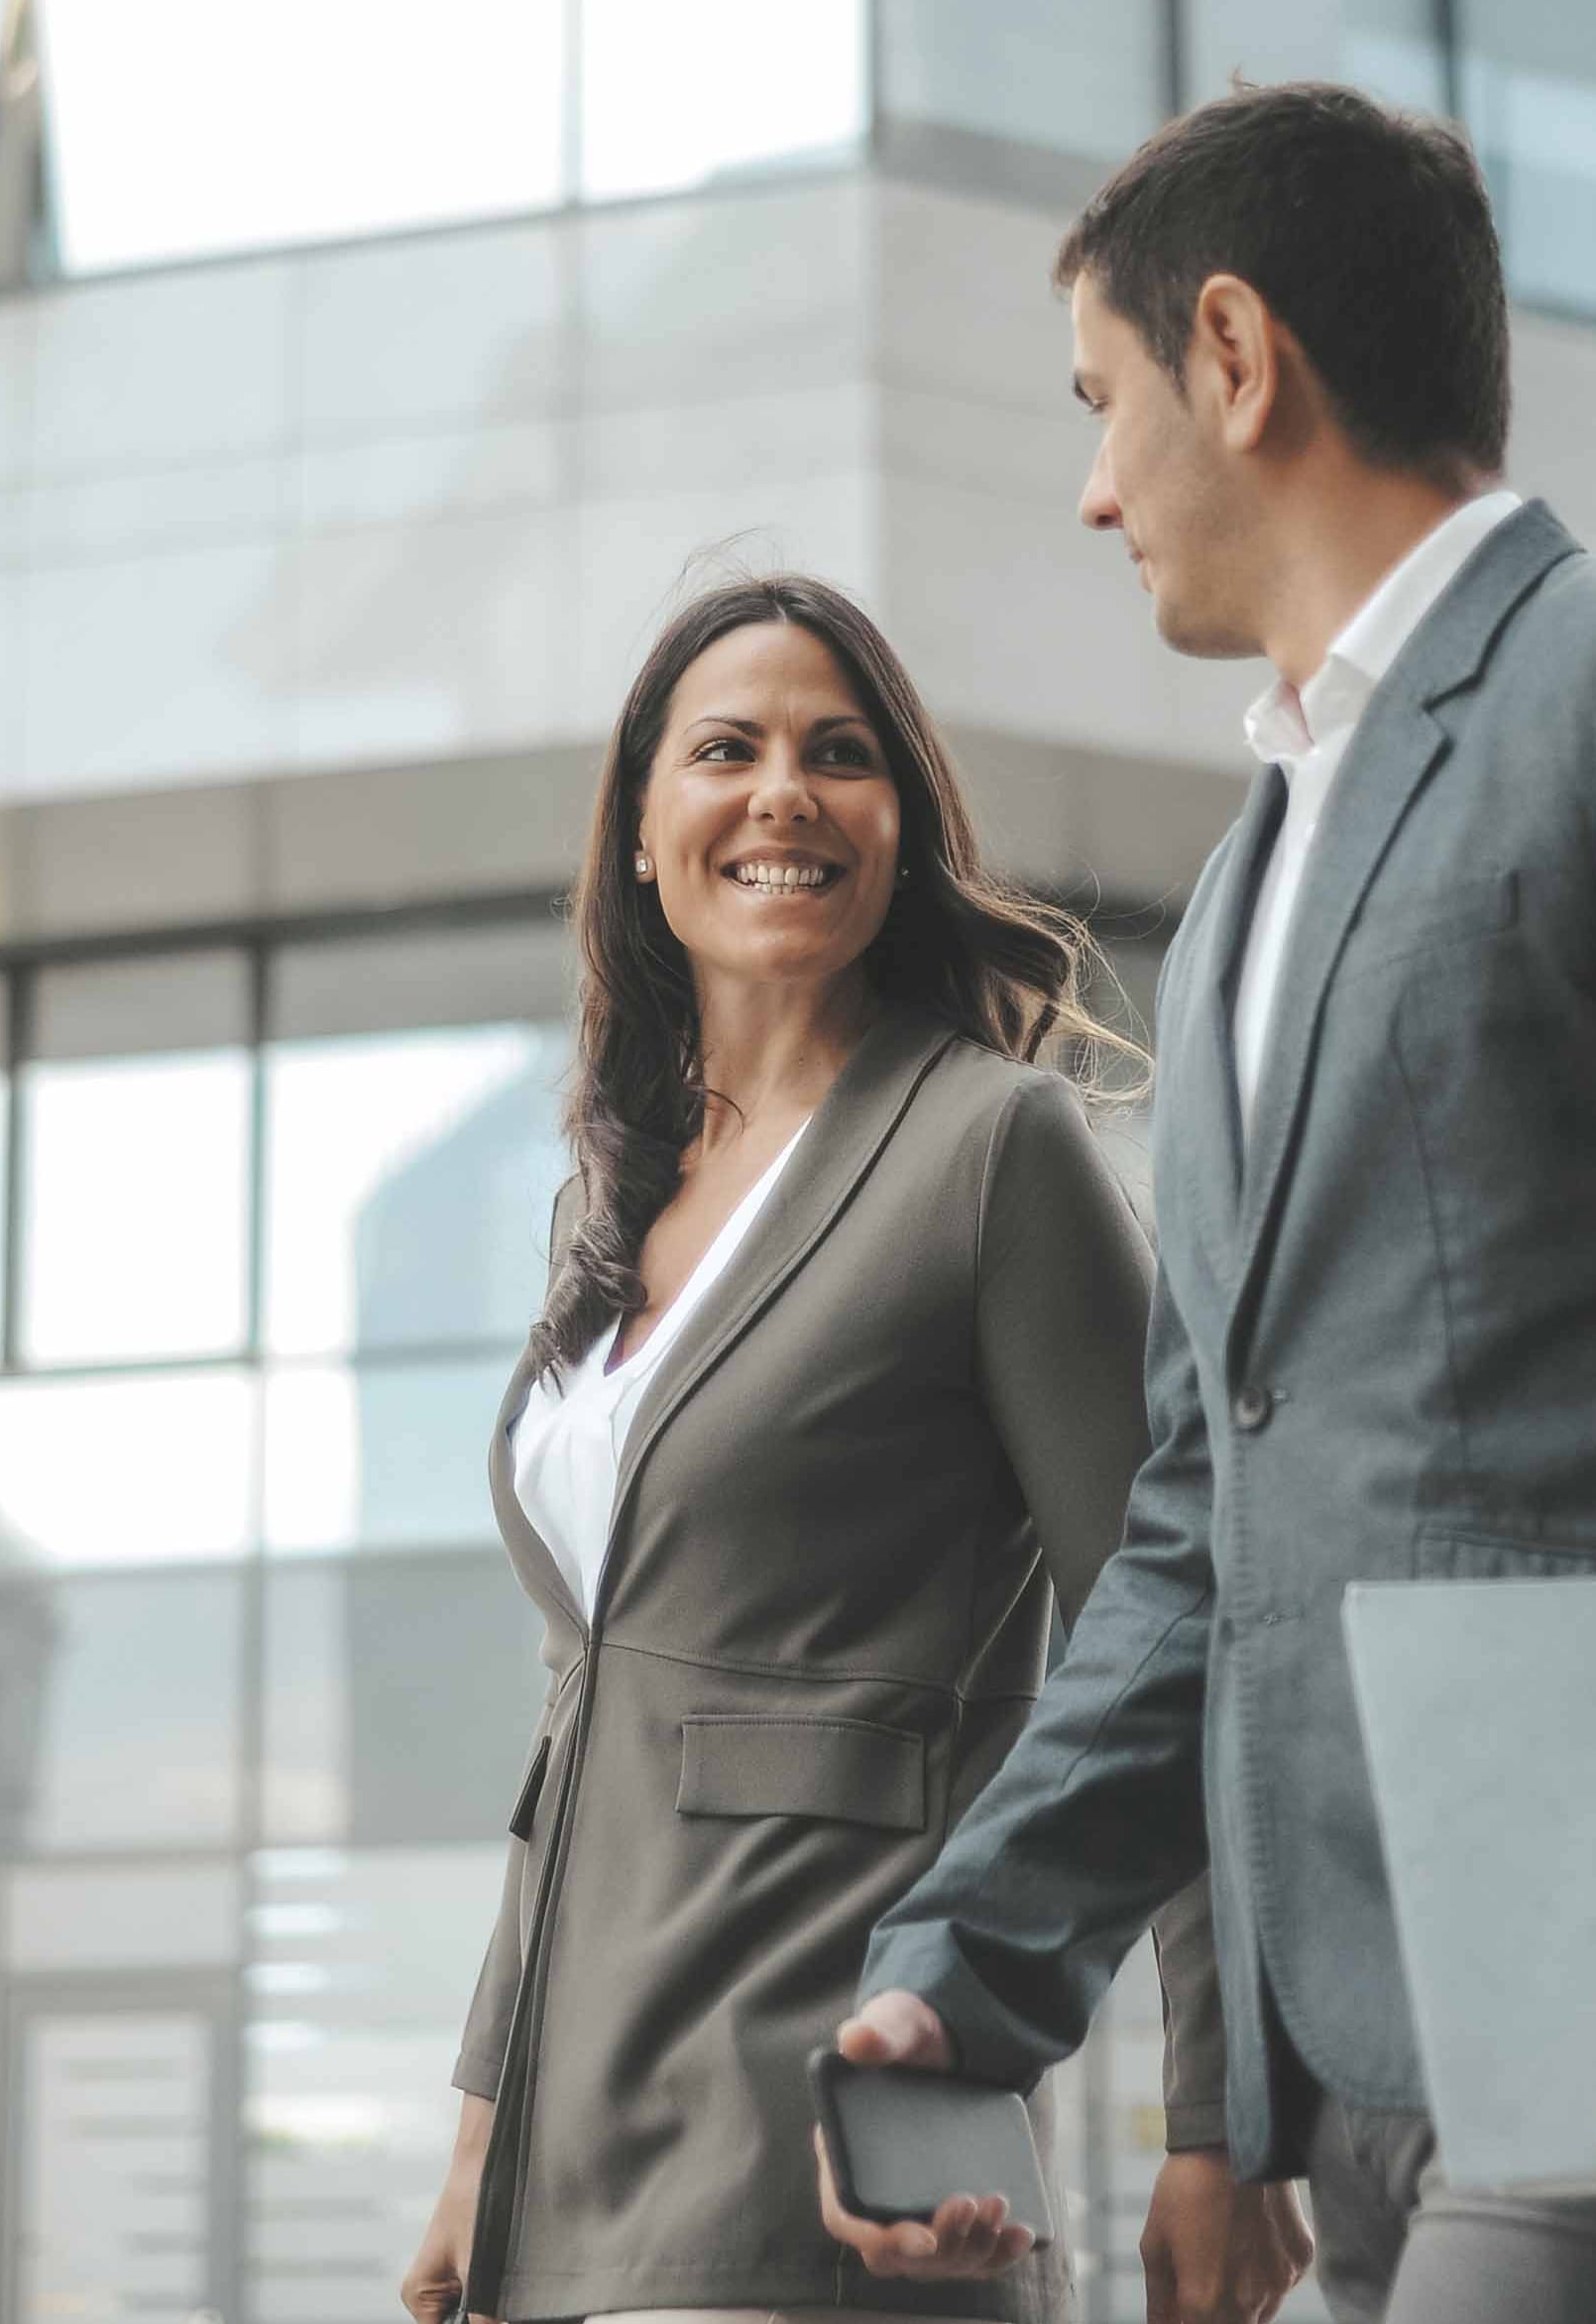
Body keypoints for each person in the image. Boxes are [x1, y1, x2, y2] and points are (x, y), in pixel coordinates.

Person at [815, 83, 1596, 2324]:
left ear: (1234, 351)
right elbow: (1206, 1509)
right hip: (1363, 2050)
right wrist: (968, 1963)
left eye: (1101, 402)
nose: (1091, 487)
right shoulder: (1228, 908)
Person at [400, 575, 1311, 2324]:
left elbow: (1176, 1634)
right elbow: (570, 1731)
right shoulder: (615, 1201)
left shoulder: (992, 1151)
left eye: (841, 755)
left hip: (838, 2117)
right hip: (569, 2160)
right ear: (645, 836)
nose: (783, 794)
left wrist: (1224, 2122)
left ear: (902, 831)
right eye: (724, 751)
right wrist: (475, 2145)